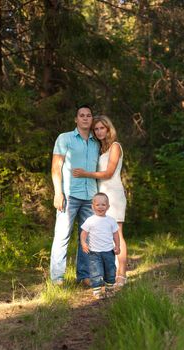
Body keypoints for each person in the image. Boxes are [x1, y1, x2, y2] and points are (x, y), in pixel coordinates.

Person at [73, 115, 127, 287]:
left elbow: (109, 173)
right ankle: (108, 274)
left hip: (114, 195)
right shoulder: (101, 150)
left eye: (102, 128)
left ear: (109, 128)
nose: (99, 131)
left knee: (116, 234)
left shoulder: (115, 147)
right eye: (96, 129)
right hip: (100, 195)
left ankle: (122, 275)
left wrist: (85, 174)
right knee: (104, 236)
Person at [50, 105, 99, 285]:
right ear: (76, 119)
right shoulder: (65, 138)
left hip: (90, 197)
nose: (85, 118)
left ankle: (84, 276)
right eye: (81, 115)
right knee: (62, 235)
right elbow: (56, 167)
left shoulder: (97, 142)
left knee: (87, 237)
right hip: (69, 195)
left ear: (92, 119)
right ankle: (57, 278)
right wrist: (58, 192)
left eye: (88, 116)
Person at [80, 192, 120, 299]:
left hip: (108, 251)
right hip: (94, 252)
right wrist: (83, 243)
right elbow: (83, 233)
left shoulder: (111, 221)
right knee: (95, 271)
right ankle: (97, 291)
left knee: (110, 270)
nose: (100, 207)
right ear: (93, 207)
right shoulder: (90, 220)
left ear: (108, 207)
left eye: (103, 204)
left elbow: (116, 234)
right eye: (98, 205)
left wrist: (117, 246)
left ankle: (109, 289)